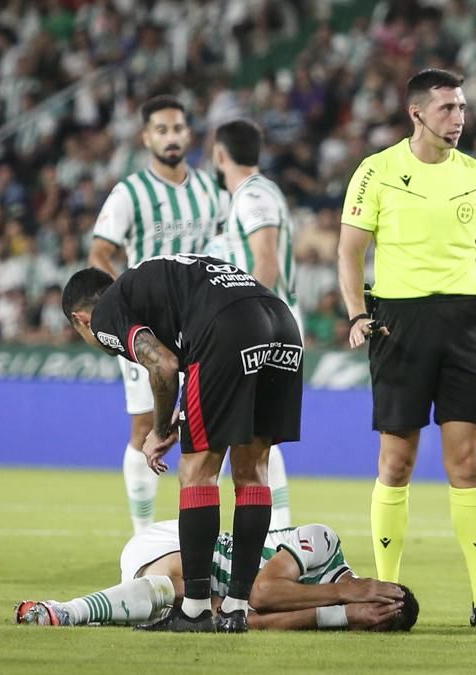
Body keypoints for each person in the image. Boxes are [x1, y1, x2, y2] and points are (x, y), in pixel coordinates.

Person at [337, 68, 476, 628]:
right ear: (417, 114)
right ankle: (385, 596)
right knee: (397, 461)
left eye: (461, 108)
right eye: (446, 109)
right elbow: (349, 253)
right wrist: (358, 314)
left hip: (463, 323)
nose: (458, 119)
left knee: (466, 463)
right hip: (397, 323)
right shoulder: (376, 172)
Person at [62, 255, 302, 633]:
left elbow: (162, 363)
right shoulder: (153, 285)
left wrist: (157, 429)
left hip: (228, 328)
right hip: (281, 322)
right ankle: (237, 607)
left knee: (197, 474)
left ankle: (195, 610)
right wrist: (176, 415)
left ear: (80, 320)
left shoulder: (106, 312)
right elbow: (181, 360)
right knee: (253, 472)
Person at [87, 95, 230, 535]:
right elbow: (100, 255)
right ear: (146, 137)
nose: (171, 137)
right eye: (161, 130)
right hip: (153, 331)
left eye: (178, 129)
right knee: (145, 426)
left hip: (205, 327)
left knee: (213, 430)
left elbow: (228, 249)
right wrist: (125, 314)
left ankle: (207, 535)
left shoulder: (211, 189)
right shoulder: (130, 192)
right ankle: (143, 538)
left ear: (189, 134)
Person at [15, 521, 417, 632]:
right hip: (177, 542)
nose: (366, 616)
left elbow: (247, 619)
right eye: (376, 606)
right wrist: (346, 599)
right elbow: (261, 592)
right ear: (375, 588)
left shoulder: (327, 612)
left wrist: (341, 618)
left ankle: (91, 610)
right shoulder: (324, 542)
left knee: (199, 612)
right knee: (179, 585)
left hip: (195, 592)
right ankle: (64, 611)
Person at [209, 117, 300, 527]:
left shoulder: (253, 195)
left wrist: (243, 316)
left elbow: (266, 259)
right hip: (270, 323)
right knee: (255, 435)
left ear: (219, 154)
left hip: (260, 326)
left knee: (248, 437)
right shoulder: (261, 192)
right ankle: (276, 530)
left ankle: (275, 530)